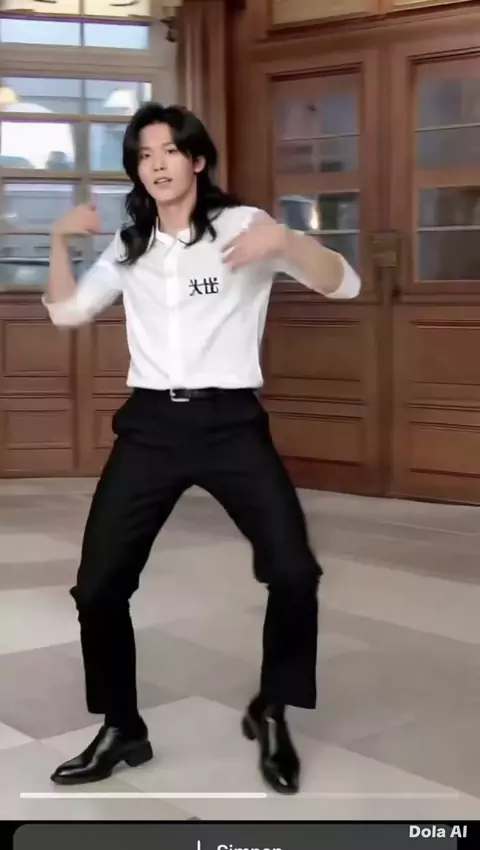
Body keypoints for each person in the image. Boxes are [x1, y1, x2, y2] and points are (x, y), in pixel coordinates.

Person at [44, 102, 361, 794]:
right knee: (98, 587)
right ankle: (122, 727)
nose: (155, 164)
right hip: (151, 428)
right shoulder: (129, 245)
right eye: (143, 154)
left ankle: (272, 709)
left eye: (168, 151)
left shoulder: (245, 226)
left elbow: (347, 283)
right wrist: (61, 242)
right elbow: (68, 313)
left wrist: (286, 244)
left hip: (230, 424)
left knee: (294, 572)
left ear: (196, 161)